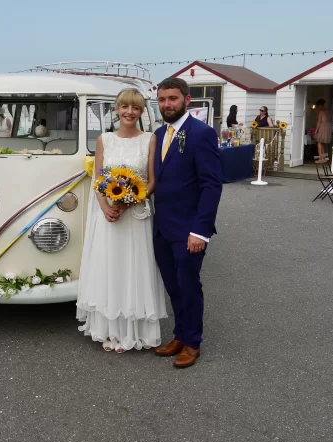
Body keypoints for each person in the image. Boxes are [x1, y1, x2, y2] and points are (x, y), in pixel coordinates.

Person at [76, 88, 167, 353]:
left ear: (141, 112)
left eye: (136, 108)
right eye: (125, 107)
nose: (129, 112)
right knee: (110, 267)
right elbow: (98, 178)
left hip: (135, 215)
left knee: (134, 269)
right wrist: (105, 207)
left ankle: (134, 331)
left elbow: (151, 181)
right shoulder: (104, 139)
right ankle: (109, 330)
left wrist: (128, 202)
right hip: (108, 216)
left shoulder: (149, 139)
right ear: (116, 109)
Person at [152, 78, 223, 368]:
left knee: (188, 285)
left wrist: (200, 231)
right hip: (161, 227)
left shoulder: (201, 133)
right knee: (173, 285)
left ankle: (193, 342)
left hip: (189, 229)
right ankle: (179, 335)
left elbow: (211, 185)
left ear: (186, 100)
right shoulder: (158, 133)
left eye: (172, 99)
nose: (167, 104)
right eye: (162, 100)